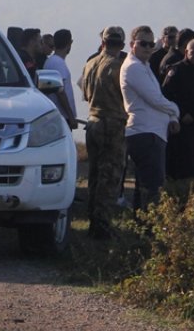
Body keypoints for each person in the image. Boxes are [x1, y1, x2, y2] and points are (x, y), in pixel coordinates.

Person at [121, 26, 180, 209]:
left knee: (146, 186)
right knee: (153, 187)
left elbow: (156, 98)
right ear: (132, 45)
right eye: (142, 43)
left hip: (151, 132)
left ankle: (142, 227)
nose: (147, 47)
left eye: (150, 43)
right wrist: (175, 110)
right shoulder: (133, 68)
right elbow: (155, 99)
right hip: (145, 133)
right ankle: (147, 229)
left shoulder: (143, 66)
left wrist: (171, 116)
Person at [80, 26, 128, 239]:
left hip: (92, 121)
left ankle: (93, 219)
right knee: (110, 177)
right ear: (122, 44)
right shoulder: (118, 67)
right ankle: (102, 226)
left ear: (104, 42)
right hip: (112, 123)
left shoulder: (90, 63)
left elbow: (85, 94)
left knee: (95, 174)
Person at [161, 38, 194, 180]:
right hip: (182, 126)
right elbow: (166, 94)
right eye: (193, 52)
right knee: (182, 164)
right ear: (186, 52)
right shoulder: (177, 70)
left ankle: (193, 196)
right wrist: (182, 114)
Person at [45, 29, 78, 129]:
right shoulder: (58, 63)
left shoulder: (51, 61)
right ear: (69, 43)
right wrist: (70, 116)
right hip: (61, 117)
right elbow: (60, 92)